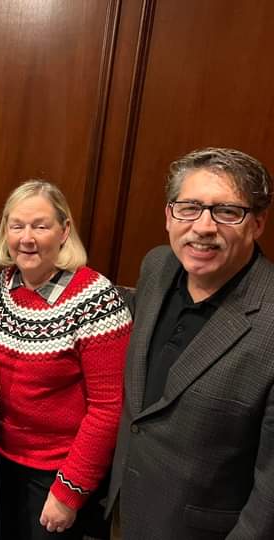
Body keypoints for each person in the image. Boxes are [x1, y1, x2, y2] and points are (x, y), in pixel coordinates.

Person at [107, 148, 274, 539]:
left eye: (227, 211)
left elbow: (270, 495)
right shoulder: (157, 266)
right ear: (169, 215)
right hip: (121, 513)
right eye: (189, 207)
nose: (203, 226)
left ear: (258, 223)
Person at [0, 180, 131, 539]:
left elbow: (109, 408)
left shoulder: (95, 299)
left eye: (40, 225)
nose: (27, 238)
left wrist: (70, 491)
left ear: (64, 230)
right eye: (17, 225)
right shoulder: (3, 285)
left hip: (54, 473)